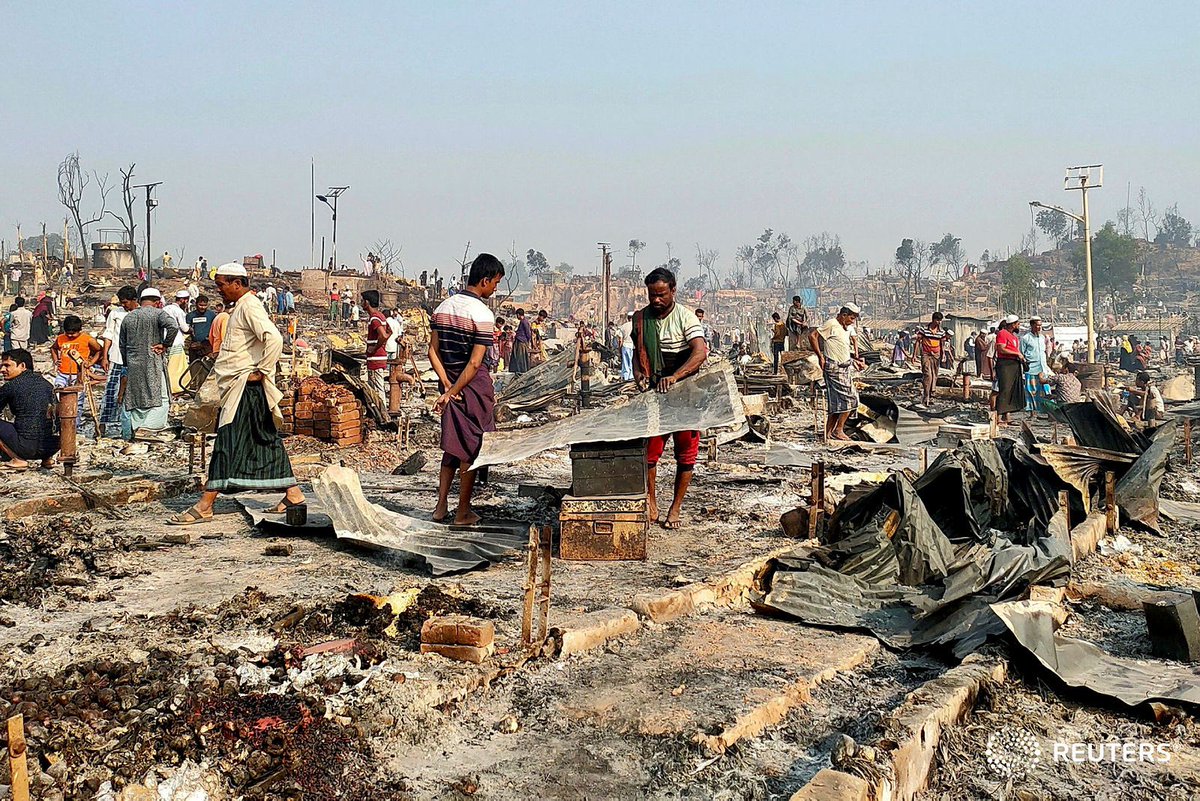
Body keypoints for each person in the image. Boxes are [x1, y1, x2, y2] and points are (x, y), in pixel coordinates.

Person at [168, 263, 305, 525]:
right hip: (239, 387)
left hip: (244, 388)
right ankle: (294, 493)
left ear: (237, 283)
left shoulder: (249, 306)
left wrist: (261, 371)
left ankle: (205, 504)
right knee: (265, 439)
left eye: (222, 285)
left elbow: (274, 339)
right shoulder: (240, 307)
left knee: (227, 441)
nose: (219, 290)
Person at [428, 253, 505, 527]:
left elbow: (432, 351)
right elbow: (474, 363)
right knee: (471, 448)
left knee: (452, 445)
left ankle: (440, 506)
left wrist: (447, 386)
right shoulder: (482, 314)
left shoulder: (442, 308)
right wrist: (453, 391)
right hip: (471, 388)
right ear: (484, 281)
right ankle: (462, 511)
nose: (495, 288)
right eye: (495, 283)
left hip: (449, 382)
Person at [631, 267, 708, 530]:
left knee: (686, 454)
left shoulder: (686, 318)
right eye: (652, 295)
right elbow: (638, 352)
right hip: (656, 396)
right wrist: (639, 374)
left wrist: (676, 377)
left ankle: (675, 508)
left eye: (661, 294)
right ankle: (651, 502)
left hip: (685, 395)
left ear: (673, 291)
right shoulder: (641, 319)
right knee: (650, 453)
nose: (656, 300)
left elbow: (699, 353)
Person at [119, 288, 179, 443]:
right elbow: (173, 326)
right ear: (158, 302)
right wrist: (165, 344)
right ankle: (148, 429)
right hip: (153, 362)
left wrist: (127, 363)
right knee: (160, 397)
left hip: (133, 364)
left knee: (137, 399)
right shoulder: (158, 314)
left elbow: (122, 344)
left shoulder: (128, 317)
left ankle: (137, 430)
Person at [810, 304, 865, 441]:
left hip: (844, 367)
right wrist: (820, 356)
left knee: (836, 402)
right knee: (851, 399)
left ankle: (828, 434)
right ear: (844, 315)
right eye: (851, 318)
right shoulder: (832, 324)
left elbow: (842, 350)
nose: (852, 321)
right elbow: (813, 336)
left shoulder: (845, 328)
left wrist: (854, 361)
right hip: (834, 368)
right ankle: (838, 430)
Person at [0, 349, 58, 470]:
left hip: (26, 448)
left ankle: (17, 459)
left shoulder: (11, 386)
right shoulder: (47, 384)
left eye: (7, 365)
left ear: (22, 366)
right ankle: (47, 460)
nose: (2, 370)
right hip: (51, 447)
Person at [99, 286, 138, 438]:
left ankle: (129, 427)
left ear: (134, 300)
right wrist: (104, 356)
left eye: (126, 302)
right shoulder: (115, 313)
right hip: (117, 358)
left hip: (135, 360)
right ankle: (103, 425)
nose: (123, 305)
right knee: (111, 392)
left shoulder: (140, 314)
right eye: (122, 302)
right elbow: (108, 335)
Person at [993, 315, 1027, 425]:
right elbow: (1001, 349)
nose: (1019, 326)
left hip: (1014, 364)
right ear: (1013, 324)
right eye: (1018, 324)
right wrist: (1016, 353)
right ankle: (998, 417)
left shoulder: (1014, 337)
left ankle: (1007, 416)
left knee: (1012, 390)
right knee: (1004, 389)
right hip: (1005, 364)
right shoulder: (1002, 333)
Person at [915, 312, 949, 406]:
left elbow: (942, 344)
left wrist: (943, 354)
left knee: (934, 374)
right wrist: (914, 355)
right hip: (926, 354)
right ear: (933, 320)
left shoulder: (941, 332)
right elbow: (918, 341)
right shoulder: (924, 330)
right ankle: (926, 395)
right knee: (927, 374)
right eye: (937, 320)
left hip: (936, 355)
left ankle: (931, 393)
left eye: (940, 320)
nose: (939, 322)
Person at [1020, 316, 1050, 416]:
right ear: (1032, 325)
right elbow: (1021, 353)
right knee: (1031, 390)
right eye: (1037, 325)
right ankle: (1032, 412)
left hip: (1043, 368)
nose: (1039, 327)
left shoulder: (1042, 338)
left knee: (1045, 390)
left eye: (1040, 325)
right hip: (1031, 368)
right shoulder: (1025, 338)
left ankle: (1046, 411)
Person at [362, 290, 389, 399]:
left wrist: (374, 348)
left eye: (363, 301)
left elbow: (384, 335)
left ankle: (380, 409)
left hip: (375, 359)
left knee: (376, 391)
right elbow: (389, 332)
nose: (362, 303)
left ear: (367, 302)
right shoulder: (381, 316)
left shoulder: (374, 318)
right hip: (380, 357)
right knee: (378, 388)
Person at [164, 290, 191, 394]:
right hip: (176, 341)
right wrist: (191, 330)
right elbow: (184, 328)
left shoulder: (165, 308)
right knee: (176, 368)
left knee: (168, 365)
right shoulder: (178, 311)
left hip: (165, 341)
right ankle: (175, 389)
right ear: (184, 300)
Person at [186, 295, 217, 362]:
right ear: (196, 304)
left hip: (207, 345)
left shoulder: (211, 315)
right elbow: (187, 330)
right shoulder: (190, 316)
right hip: (194, 345)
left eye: (205, 305)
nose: (202, 307)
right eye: (200, 305)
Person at [511, 308, 533, 374]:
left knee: (520, 357)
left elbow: (528, 333)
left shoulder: (524, 322)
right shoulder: (523, 321)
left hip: (521, 341)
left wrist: (527, 341)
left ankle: (521, 370)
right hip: (520, 340)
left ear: (518, 314)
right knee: (518, 356)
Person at [618, 311, 634, 381]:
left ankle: (626, 376)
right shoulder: (636, 325)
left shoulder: (623, 326)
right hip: (633, 346)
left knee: (625, 362)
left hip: (625, 346)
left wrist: (619, 348)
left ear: (628, 318)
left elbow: (620, 339)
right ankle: (631, 376)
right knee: (632, 362)